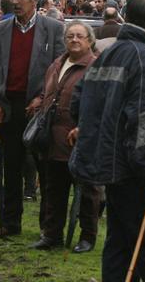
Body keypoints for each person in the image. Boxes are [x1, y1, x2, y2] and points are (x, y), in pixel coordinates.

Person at [70, 0, 145, 282]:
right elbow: (144, 117)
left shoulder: (109, 52)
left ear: (125, 18)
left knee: (118, 246)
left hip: (110, 167)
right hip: (133, 171)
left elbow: (77, 101)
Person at [0, 0, 65, 240]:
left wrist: (43, 97)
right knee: (11, 167)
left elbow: (59, 69)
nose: (15, 2)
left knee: (46, 169)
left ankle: (47, 228)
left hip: (41, 110)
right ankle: (10, 224)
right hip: (9, 109)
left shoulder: (52, 29)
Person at [34, 21, 102, 252]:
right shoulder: (57, 64)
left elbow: (99, 103)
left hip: (80, 139)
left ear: (89, 40)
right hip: (53, 138)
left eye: (79, 36)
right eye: (70, 36)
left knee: (87, 192)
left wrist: (85, 128)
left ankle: (87, 237)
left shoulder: (95, 67)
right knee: (54, 189)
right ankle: (52, 235)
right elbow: (48, 92)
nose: (74, 40)